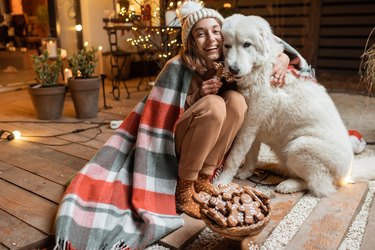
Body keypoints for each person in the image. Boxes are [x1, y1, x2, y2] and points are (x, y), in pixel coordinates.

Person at [54, 1, 314, 249]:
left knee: (235, 101)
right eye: (200, 34)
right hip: (174, 143)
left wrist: (281, 59)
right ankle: (185, 187)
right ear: (191, 41)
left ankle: (204, 179)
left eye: (215, 32)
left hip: (206, 143)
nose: (210, 39)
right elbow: (161, 118)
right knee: (214, 105)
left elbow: (273, 44)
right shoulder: (177, 66)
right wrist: (197, 96)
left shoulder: (229, 60)